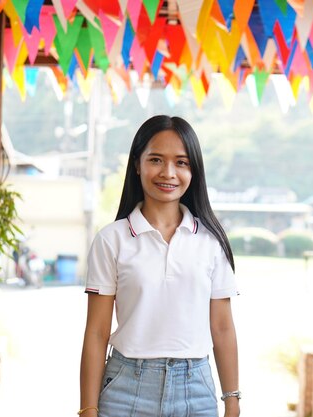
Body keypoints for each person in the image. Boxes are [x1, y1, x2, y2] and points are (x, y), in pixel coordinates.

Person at [79, 115, 240, 417]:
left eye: (181, 162)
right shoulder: (111, 239)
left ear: (194, 170)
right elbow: (97, 332)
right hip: (125, 389)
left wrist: (232, 400)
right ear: (137, 164)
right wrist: (88, 409)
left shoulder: (211, 241)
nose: (168, 173)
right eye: (156, 159)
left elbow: (222, 327)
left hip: (196, 392)